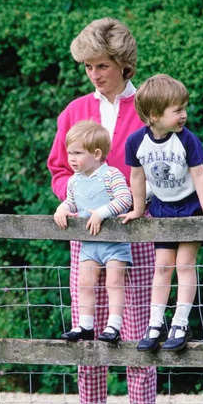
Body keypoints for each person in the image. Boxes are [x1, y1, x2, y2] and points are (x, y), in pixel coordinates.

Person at [46, 17, 155, 404]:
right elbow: (58, 169)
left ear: (123, 64)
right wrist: (73, 200)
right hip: (87, 242)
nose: (94, 73)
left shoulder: (149, 106)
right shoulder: (75, 112)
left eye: (101, 65)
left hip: (139, 237)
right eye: (88, 66)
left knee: (136, 338)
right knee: (88, 337)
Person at [122, 74, 203, 352]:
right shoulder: (136, 143)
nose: (184, 115)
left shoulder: (187, 140)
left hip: (189, 206)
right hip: (161, 208)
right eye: (177, 110)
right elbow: (137, 177)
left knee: (184, 265)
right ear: (154, 115)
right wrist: (137, 208)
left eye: (184, 108)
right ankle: (155, 323)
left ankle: (180, 322)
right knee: (161, 267)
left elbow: (199, 173)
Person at [54, 121, 133, 344]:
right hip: (89, 245)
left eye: (77, 153)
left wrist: (102, 212)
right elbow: (71, 202)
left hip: (114, 243)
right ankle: (85, 326)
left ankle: (113, 326)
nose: (71, 158)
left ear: (97, 153)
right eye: (69, 153)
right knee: (85, 283)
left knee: (114, 283)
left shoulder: (111, 175)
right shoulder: (73, 181)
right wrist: (62, 208)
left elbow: (125, 199)